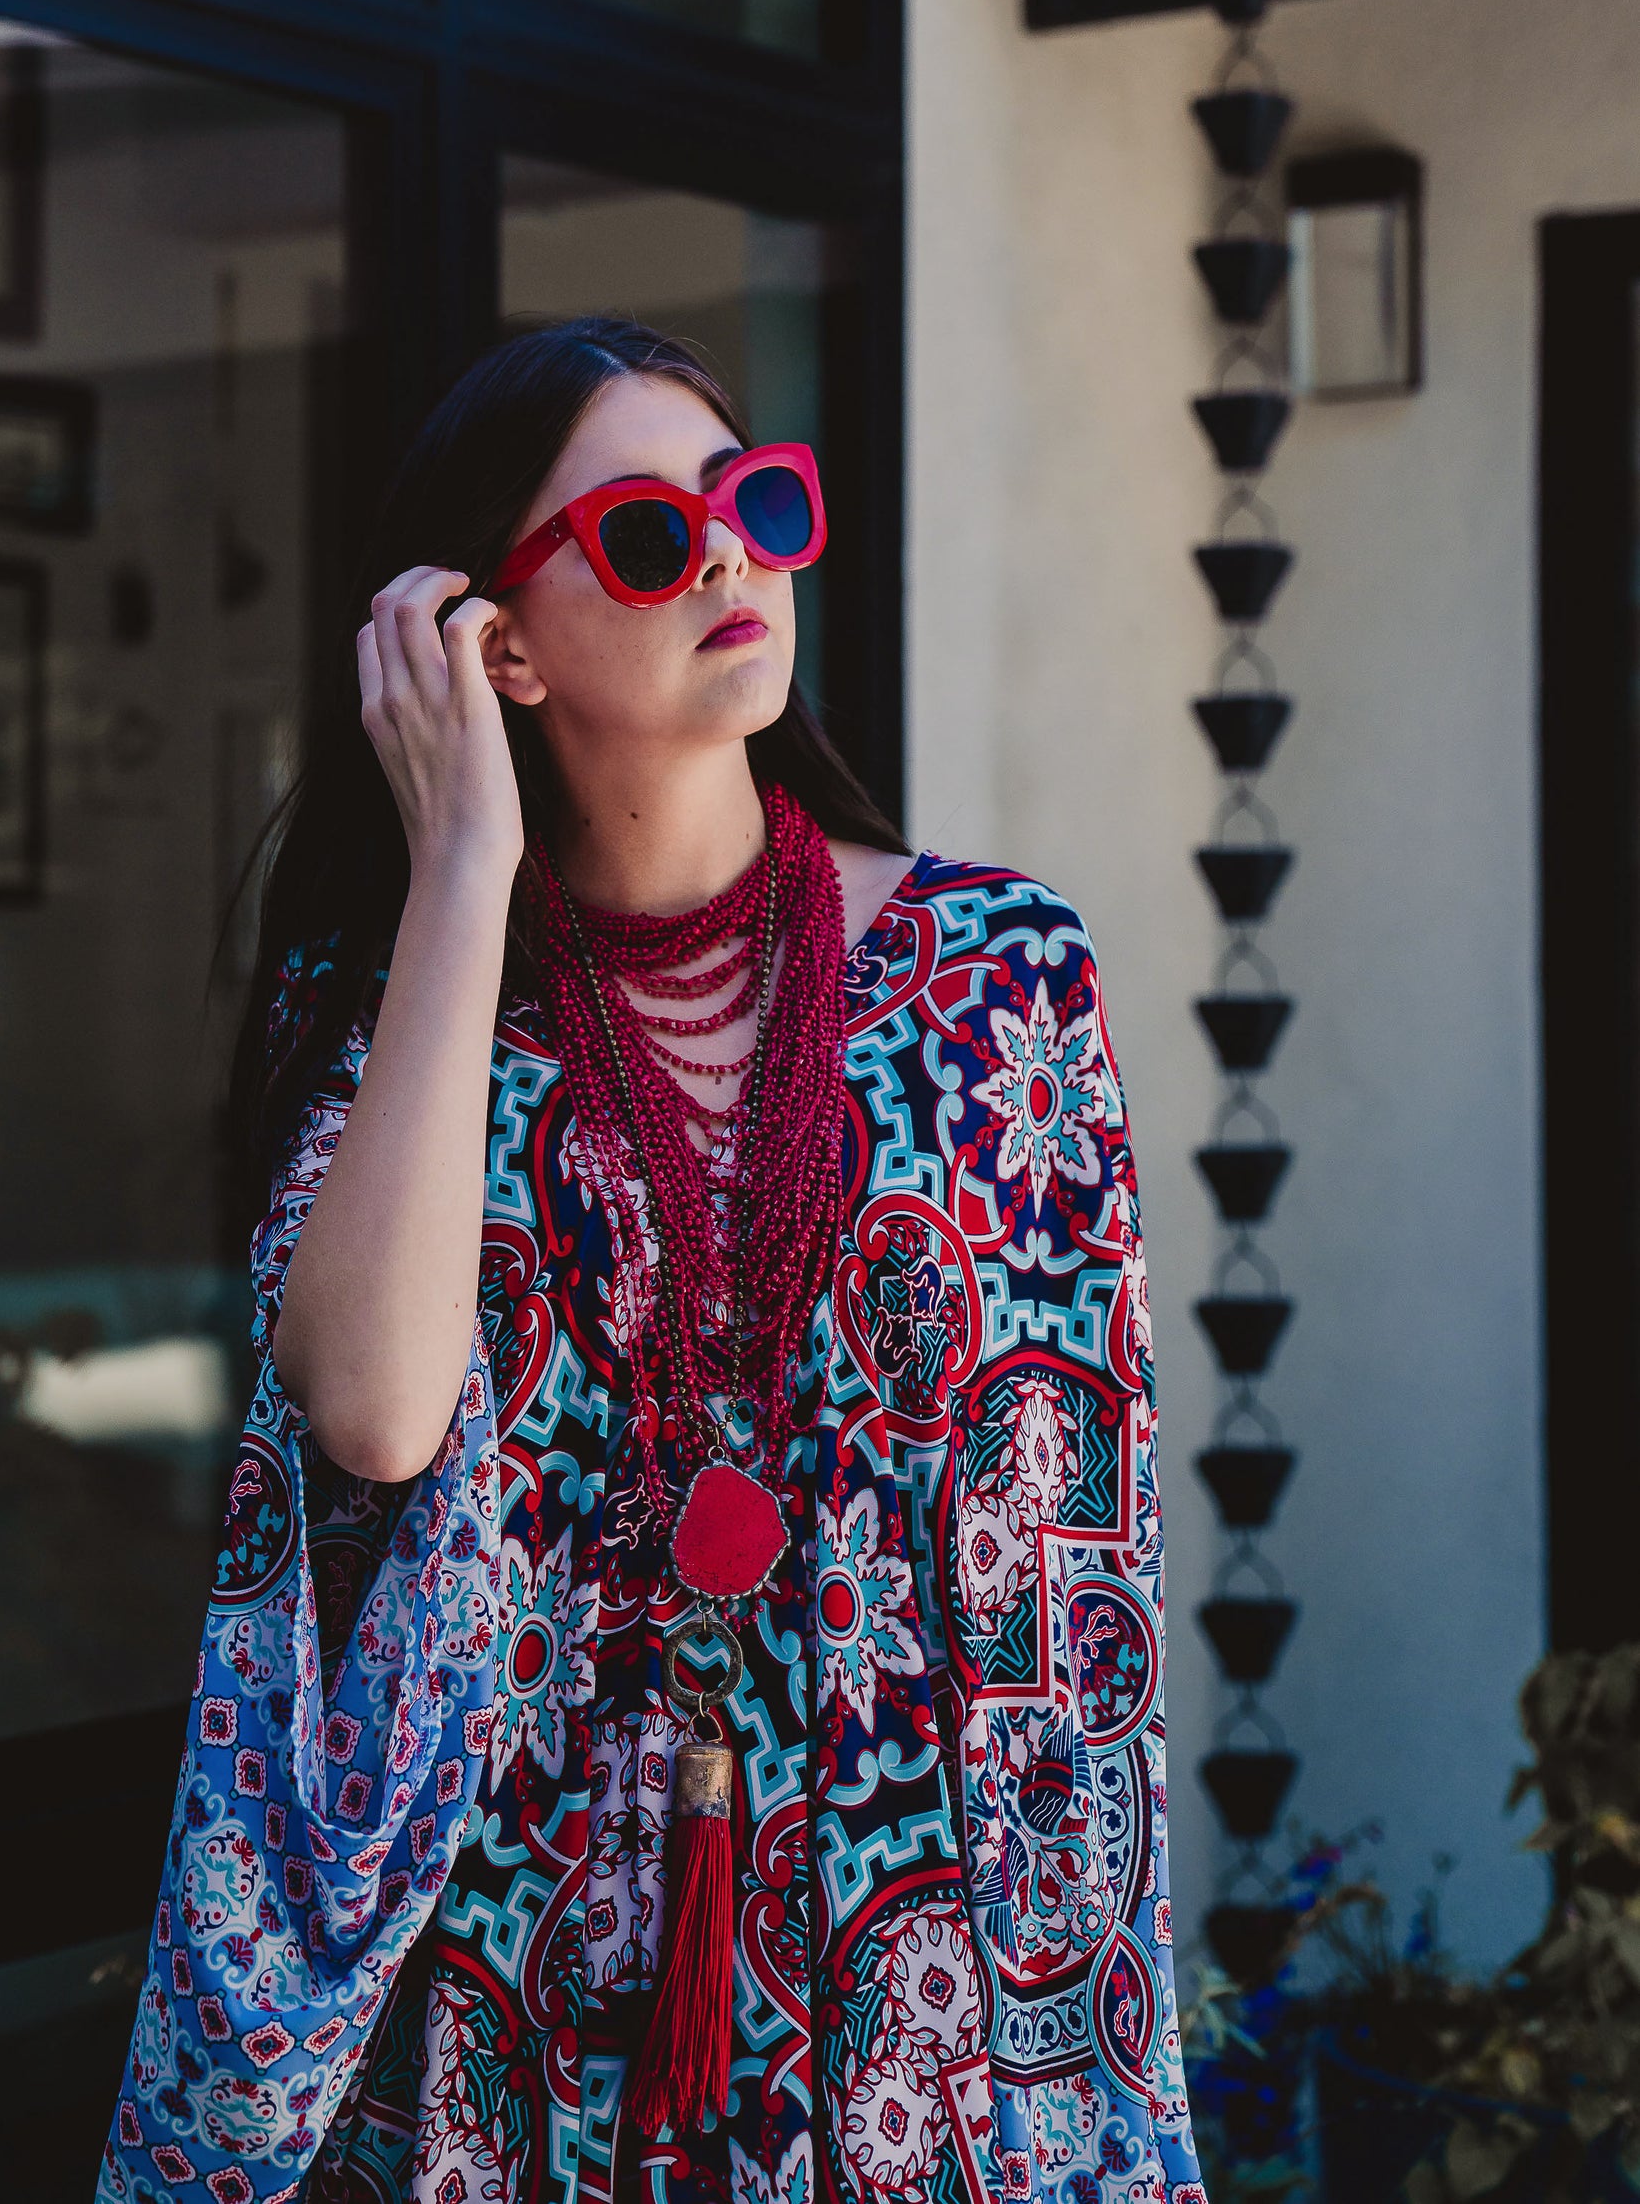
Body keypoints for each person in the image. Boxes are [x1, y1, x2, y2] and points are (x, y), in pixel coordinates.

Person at [100, 317, 1203, 2204]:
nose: (726, 559)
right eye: (638, 533)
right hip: (503, 1949)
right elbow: (370, 1414)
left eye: (753, 503)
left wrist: (1064, 2046)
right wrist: (462, 870)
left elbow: (1069, 1575)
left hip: (906, 1950)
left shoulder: (1005, 977)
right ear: (493, 644)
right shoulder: (392, 1016)